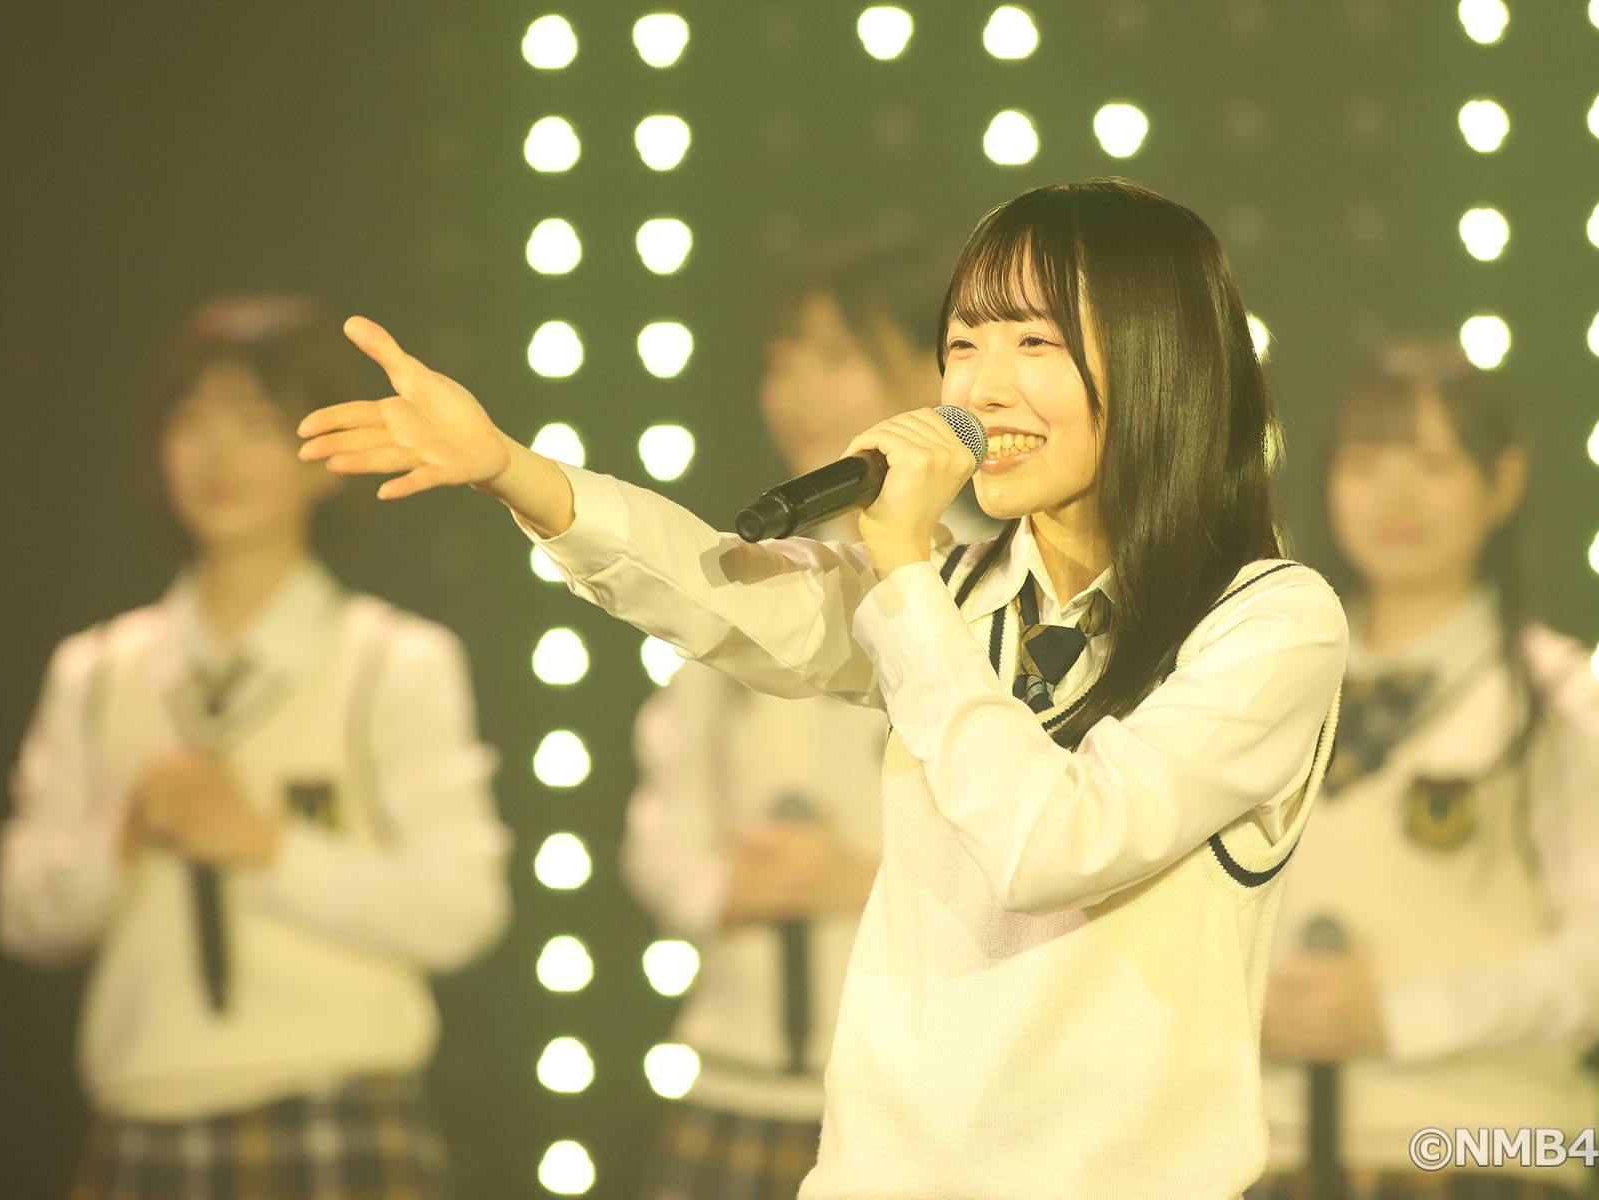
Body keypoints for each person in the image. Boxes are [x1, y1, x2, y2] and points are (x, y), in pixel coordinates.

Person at [299, 178, 1348, 1198]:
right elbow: (724, 594)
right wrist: (510, 468)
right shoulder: (954, 590)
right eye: (963, 344)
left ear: (1163, 358)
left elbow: (1058, 846)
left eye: (1034, 343)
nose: (980, 389)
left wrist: (902, 568)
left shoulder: (1267, 623)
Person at [0, 296, 512, 1200]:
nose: (219, 455)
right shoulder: (98, 672)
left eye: (259, 425)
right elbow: (25, 916)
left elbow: (461, 908)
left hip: (340, 1113)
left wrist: (265, 845)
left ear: (327, 461)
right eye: (191, 422)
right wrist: (123, 835)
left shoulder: (391, 661)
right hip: (143, 1118)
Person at [1252, 338, 1599, 1200]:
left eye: (1435, 465)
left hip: (1483, 1154)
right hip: (1266, 1157)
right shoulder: (1263, 689)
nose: (1396, 498)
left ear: (1503, 483)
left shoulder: (1556, 698)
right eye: (1366, 464)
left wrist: (1394, 1018)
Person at [625, 235, 994, 1200]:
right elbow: (660, 831)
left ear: (934, 378)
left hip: (929, 1093)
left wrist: (853, 880)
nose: (798, 394)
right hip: (738, 1080)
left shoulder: (992, 585)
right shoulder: (750, 580)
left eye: (837, 357)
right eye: (780, 362)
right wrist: (725, 883)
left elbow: (1044, 844)